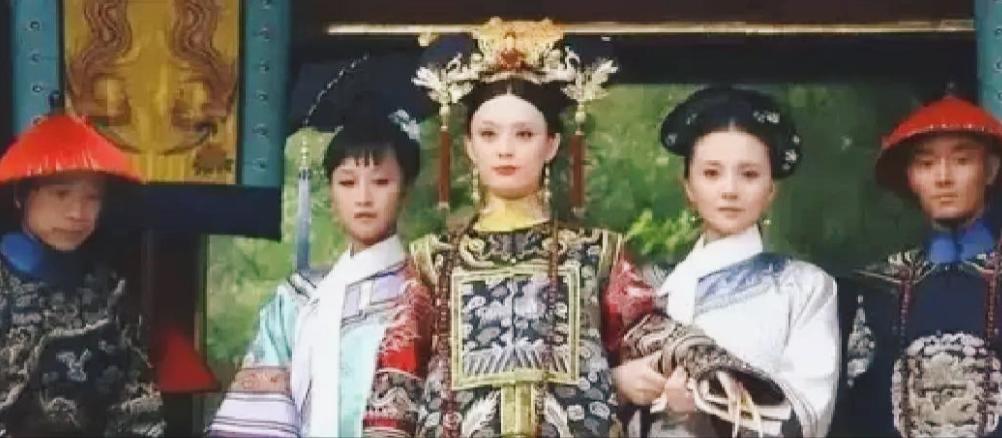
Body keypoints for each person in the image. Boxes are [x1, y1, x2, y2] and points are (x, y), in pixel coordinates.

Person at [361, 19, 793, 438]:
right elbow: (397, 380)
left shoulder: (595, 252)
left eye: (524, 134)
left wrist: (706, 362)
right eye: (489, 135)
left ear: (551, 144)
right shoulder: (433, 260)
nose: (505, 150)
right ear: (470, 146)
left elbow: (646, 328)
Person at [207, 84, 424, 436]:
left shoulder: (423, 291)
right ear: (332, 192)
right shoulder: (297, 298)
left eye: (381, 182)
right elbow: (261, 419)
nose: (363, 198)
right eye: (347, 183)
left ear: (405, 191)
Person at [624, 86, 839, 437]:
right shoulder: (647, 285)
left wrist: (709, 403)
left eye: (749, 174)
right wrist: (622, 384)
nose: (729, 190)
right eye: (711, 173)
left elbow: (810, 412)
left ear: (771, 190)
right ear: (688, 187)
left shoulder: (804, 287)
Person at [835, 94, 1002, 437]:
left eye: (961, 160)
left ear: (991, 169)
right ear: (910, 178)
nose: (943, 177)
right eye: (926, 164)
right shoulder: (875, 289)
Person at [0, 114, 164, 436]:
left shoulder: (110, 289)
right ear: (22, 196)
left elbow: (136, 401)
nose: (78, 213)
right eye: (61, 194)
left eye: (92, 198)